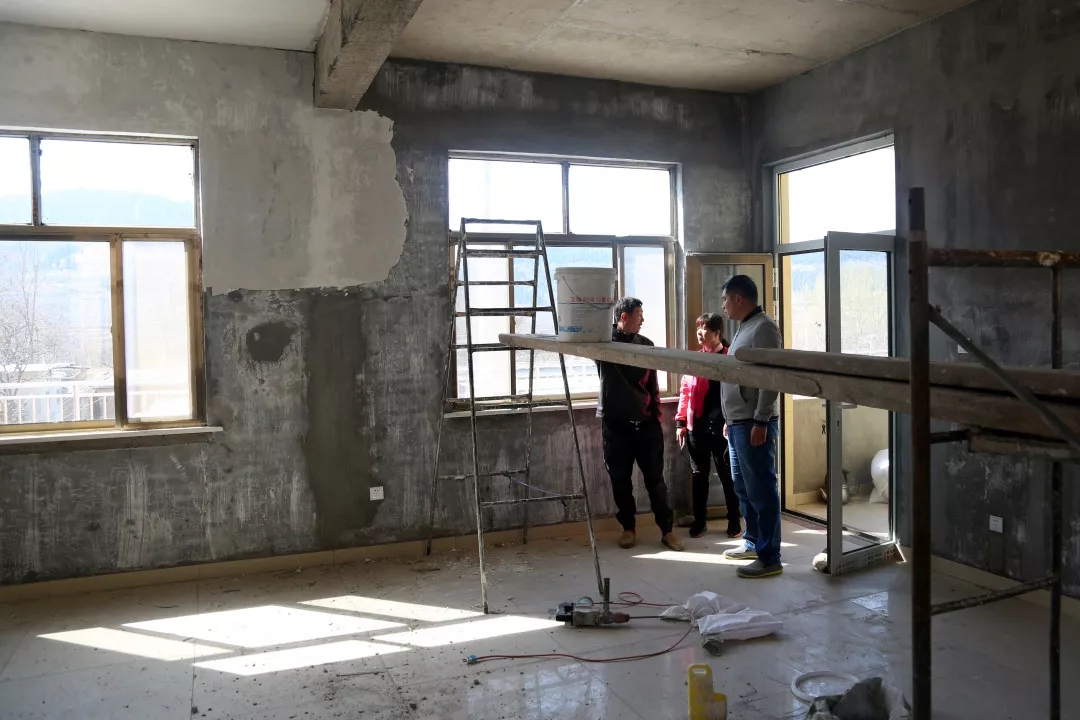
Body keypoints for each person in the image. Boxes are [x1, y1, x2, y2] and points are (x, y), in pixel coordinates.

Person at [596, 297, 684, 552]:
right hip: (616, 427)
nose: (643, 319)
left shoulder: (646, 346)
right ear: (624, 317)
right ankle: (628, 528)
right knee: (621, 481)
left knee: (656, 481)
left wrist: (655, 416)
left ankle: (667, 530)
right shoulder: (603, 344)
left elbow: (653, 386)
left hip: (646, 426)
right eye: (639, 315)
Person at [719, 275, 784, 579]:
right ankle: (753, 542)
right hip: (737, 423)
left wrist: (761, 420)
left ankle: (770, 558)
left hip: (753, 423)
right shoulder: (745, 326)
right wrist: (729, 419)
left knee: (761, 489)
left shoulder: (764, 328)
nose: (723, 306)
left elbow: (772, 379)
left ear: (739, 298)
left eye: (725, 299)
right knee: (743, 488)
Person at [675, 313, 743, 540]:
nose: (699, 333)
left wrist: (733, 420)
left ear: (717, 333)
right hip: (697, 427)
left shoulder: (730, 358)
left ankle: (734, 520)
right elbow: (685, 392)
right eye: (698, 328)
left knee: (727, 475)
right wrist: (681, 422)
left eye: (704, 328)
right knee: (699, 475)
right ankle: (700, 521)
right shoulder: (695, 359)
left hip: (723, 427)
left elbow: (737, 394)